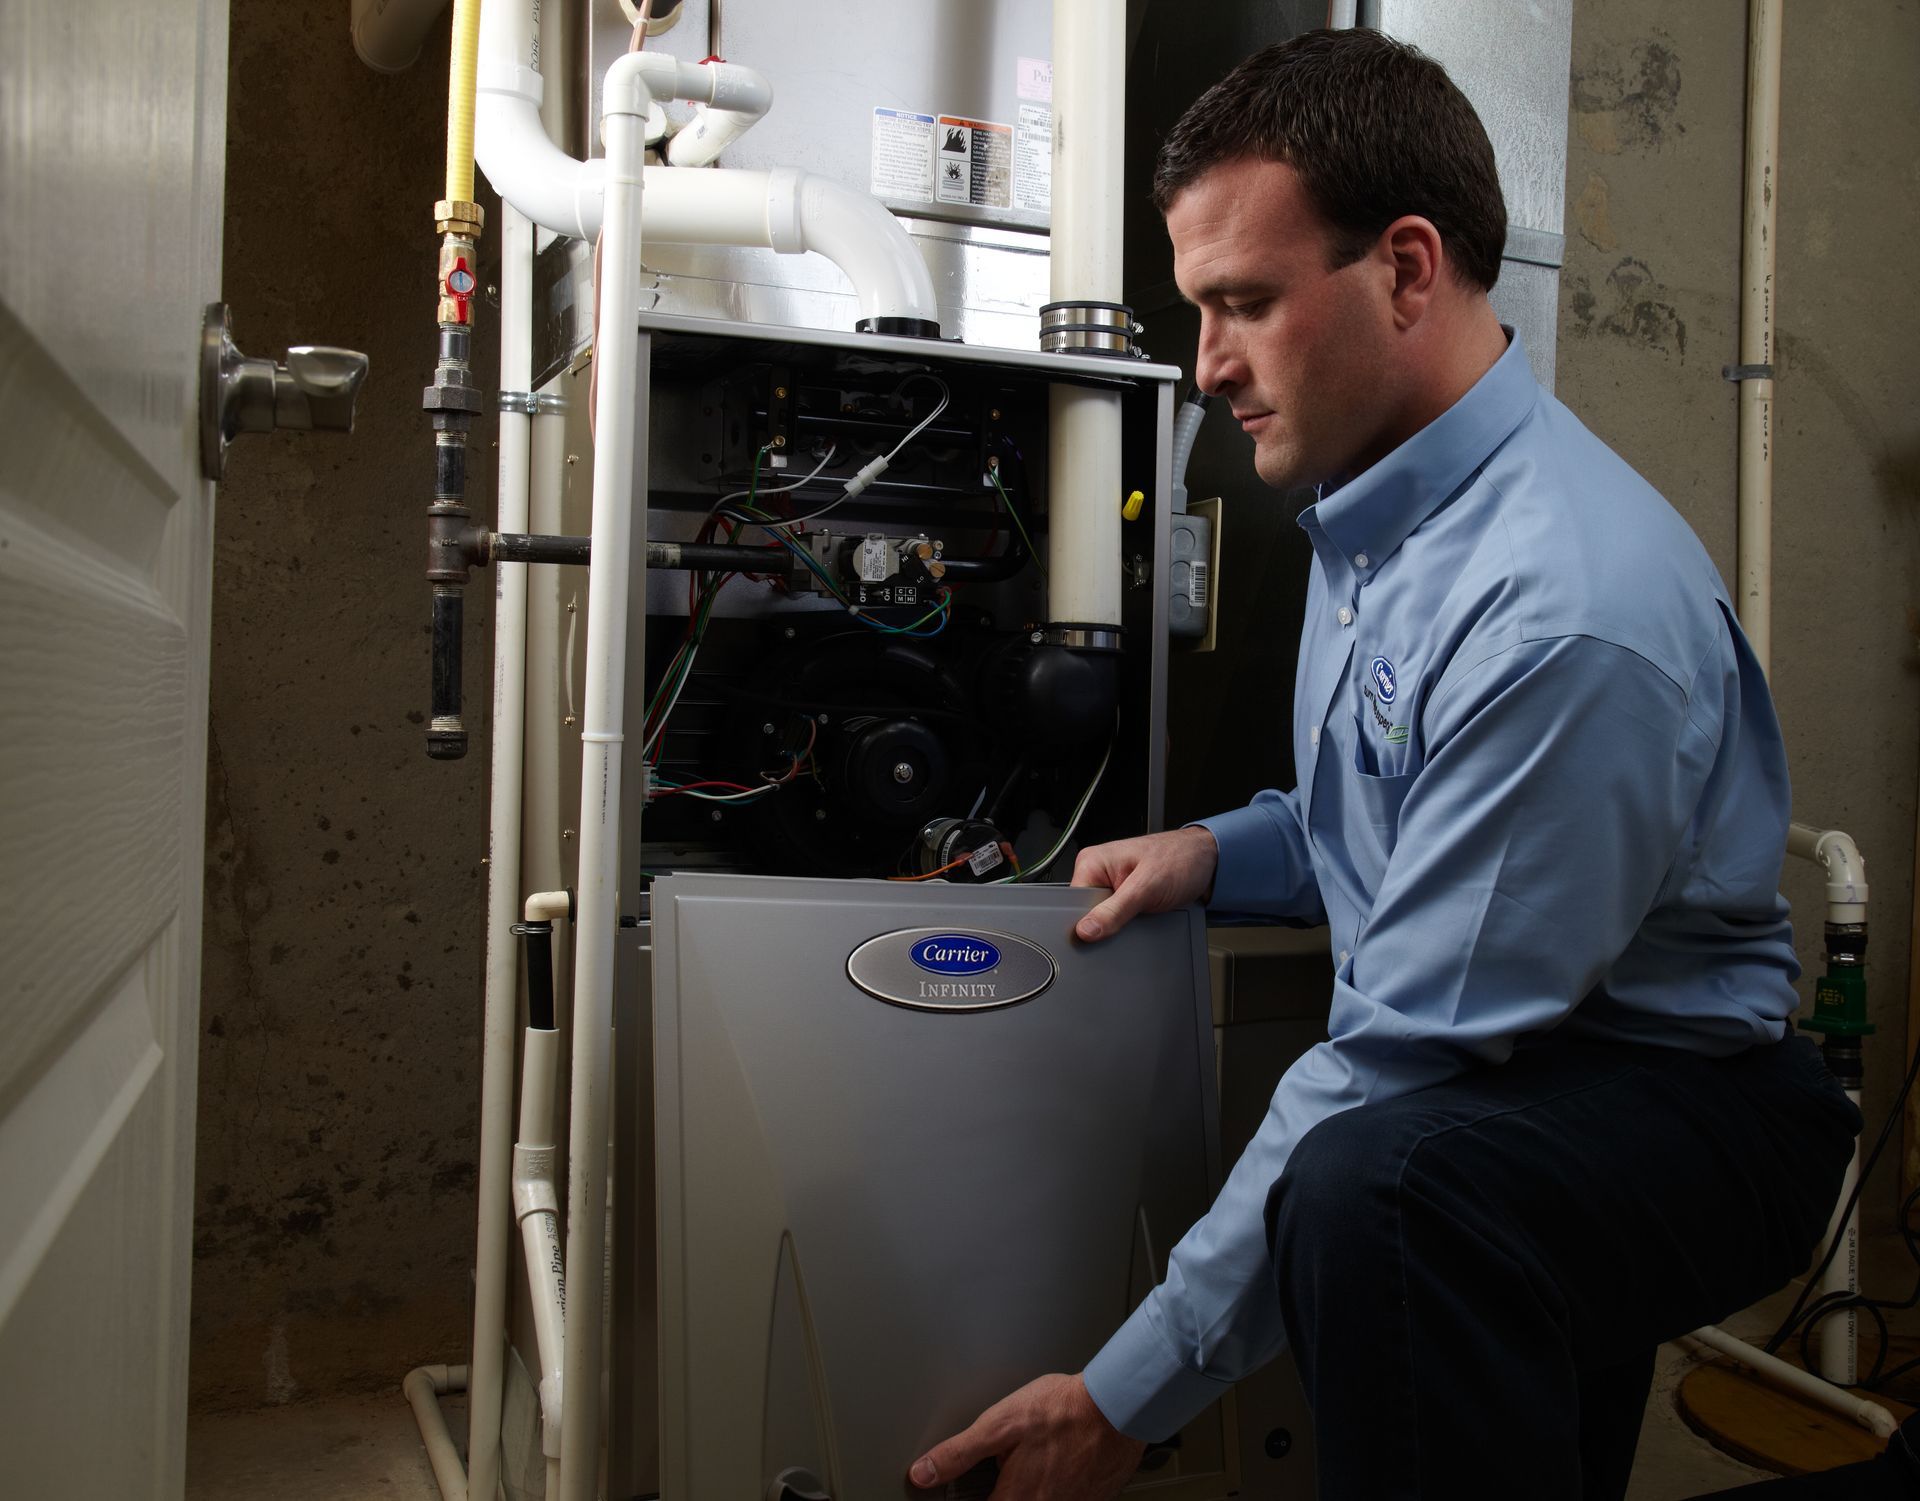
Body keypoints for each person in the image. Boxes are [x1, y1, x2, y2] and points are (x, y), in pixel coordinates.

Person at [908, 28, 1861, 1501]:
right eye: (1198, 307)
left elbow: (1399, 1060)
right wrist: (1224, 851)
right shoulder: (1380, 516)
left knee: (1379, 1193)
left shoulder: (1560, 608)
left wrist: (1121, 1397)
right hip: (1539, 1059)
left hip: (1693, 1104)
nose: (1206, 363)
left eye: (1244, 304)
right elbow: (1393, 812)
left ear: (1408, 269)